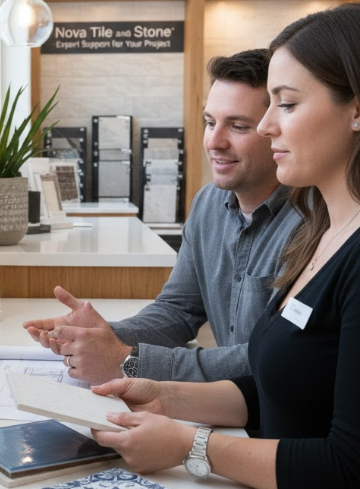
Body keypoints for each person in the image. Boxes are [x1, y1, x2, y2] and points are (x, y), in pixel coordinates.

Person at [90, 6, 360, 488]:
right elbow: (291, 387)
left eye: (287, 104)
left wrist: (190, 447)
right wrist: (165, 397)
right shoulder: (326, 234)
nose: (268, 126)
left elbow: (347, 464)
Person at [23, 50, 302, 384]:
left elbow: (273, 358)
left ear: (277, 130)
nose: (213, 142)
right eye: (210, 122)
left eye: (238, 126)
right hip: (225, 408)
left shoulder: (314, 224)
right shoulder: (208, 205)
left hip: (270, 420)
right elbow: (178, 311)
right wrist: (105, 334)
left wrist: (129, 359)